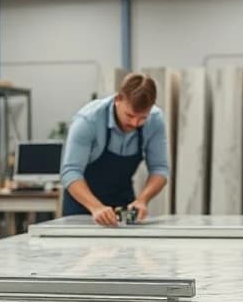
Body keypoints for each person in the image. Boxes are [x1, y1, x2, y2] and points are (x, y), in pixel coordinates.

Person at [60, 73, 170, 226]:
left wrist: (142, 200)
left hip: (122, 204)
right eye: (129, 115)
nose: (135, 123)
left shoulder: (155, 120)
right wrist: (96, 207)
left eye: (142, 118)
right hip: (82, 205)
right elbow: (70, 172)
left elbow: (160, 169)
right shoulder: (88, 120)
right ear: (118, 99)